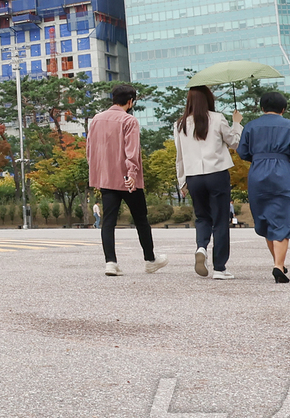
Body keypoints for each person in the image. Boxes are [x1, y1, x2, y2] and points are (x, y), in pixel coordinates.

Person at [86, 84, 168, 277]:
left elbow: (90, 150)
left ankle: (111, 263)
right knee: (141, 220)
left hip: (106, 178)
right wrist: (131, 174)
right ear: (130, 101)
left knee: (108, 221)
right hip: (126, 179)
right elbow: (131, 151)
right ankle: (149, 260)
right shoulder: (129, 121)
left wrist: (97, 174)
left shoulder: (96, 119)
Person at [237, 91, 290, 284]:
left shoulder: (251, 126)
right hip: (282, 171)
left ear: (262, 108)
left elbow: (242, 151)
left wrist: (259, 155)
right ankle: (278, 265)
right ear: (283, 109)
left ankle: (279, 263)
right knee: (284, 217)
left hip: (258, 171)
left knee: (266, 217)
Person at [174, 85, 242, 280]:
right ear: (208, 99)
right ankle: (219, 268)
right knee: (220, 220)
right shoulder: (217, 118)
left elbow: (179, 157)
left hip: (193, 177)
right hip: (217, 174)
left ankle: (201, 248)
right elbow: (234, 142)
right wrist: (236, 123)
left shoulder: (180, 124)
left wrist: (182, 182)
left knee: (202, 217)